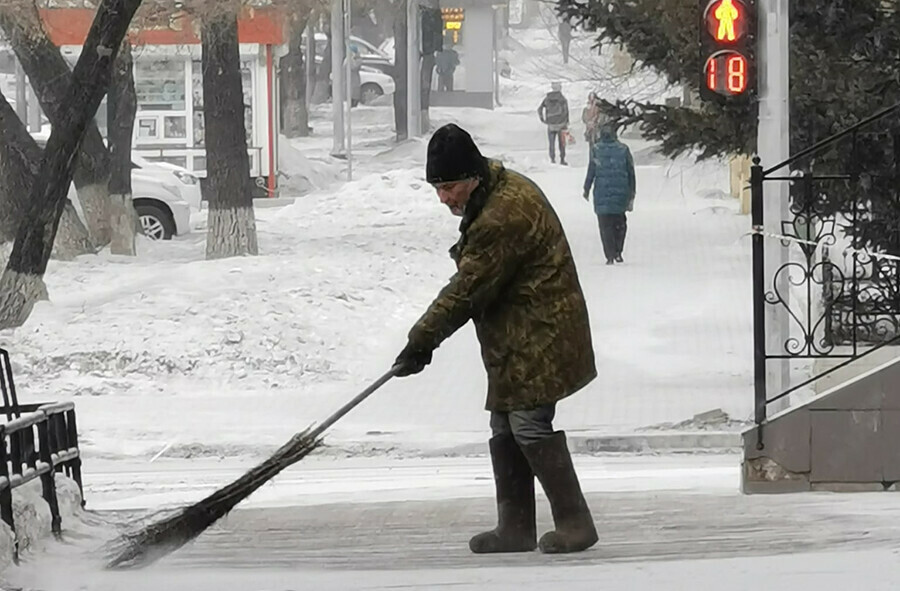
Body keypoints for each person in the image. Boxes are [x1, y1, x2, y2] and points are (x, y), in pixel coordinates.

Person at [394, 124, 599, 555]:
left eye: (449, 187)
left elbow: (467, 289)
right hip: (519, 334)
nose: (444, 198)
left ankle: (575, 523)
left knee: (527, 422)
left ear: (471, 175)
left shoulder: (503, 215)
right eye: (437, 188)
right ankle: (516, 528)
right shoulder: (495, 189)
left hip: (542, 332)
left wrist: (421, 340)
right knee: (505, 422)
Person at [583, 124, 636, 265]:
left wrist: (586, 188)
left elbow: (591, 171)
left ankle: (609, 255)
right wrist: (632, 192)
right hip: (621, 193)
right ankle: (618, 251)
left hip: (602, 193)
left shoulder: (596, 150)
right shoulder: (623, 149)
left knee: (605, 225)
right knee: (620, 223)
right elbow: (631, 172)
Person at [538, 82, 569, 165]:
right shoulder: (562, 99)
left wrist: (542, 119)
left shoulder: (547, 98)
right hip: (561, 124)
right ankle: (562, 159)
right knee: (561, 143)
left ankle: (552, 159)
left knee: (551, 143)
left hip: (551, 124)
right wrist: (566, 122)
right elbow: (566, 111)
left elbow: (539, 109)